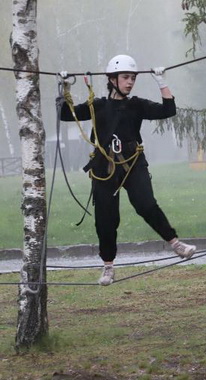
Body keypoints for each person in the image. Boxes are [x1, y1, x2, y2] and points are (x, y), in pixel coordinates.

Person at [60, 54, 196, 286]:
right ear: (112, 79)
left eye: (133, 78)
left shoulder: (137, 105)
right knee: (106, 218)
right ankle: (108, 267)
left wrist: (160, 81)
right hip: (104, 167)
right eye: (125, 77)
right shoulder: (97, 106)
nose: (130, 82)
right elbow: (65, 114)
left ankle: (176, 244)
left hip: (133, 163)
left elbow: (168, 110)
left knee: (146, 205)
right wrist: (64, 87)